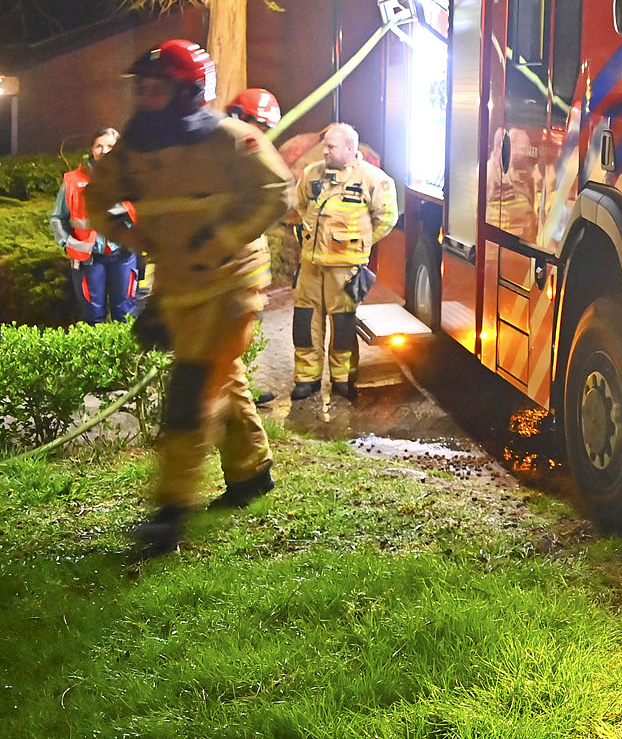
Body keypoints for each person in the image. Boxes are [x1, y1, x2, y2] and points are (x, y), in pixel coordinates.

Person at [86, 40, 295, 559]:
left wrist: (224, 239)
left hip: (232, 283)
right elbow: (96, 202)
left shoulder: (231, 138)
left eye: (157, 86)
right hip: (180, 287)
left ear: (188, 89)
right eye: (143, 86)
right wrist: (140, 240)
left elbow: (277, 193)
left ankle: (171, 511)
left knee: (194, 391)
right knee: (224, 376)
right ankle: (252, 474)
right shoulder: (135, 146)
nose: (146, 95)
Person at [290, 122, 396, 402]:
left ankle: (342, 381)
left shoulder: (373, 179)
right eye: (324, 146)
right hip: (311, 265)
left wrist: (362, 242)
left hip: (346, 268)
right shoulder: (311, 173)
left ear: (350, 148)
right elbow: (300, 205)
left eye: (331, 147)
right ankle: (306, 380)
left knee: (343, 325)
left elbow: (386, 218)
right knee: (305, 322)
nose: (324, 151)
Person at [224, 88, 283, 406]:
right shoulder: (222, 155)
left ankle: (243, 389)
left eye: (264, 130)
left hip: (247, 273)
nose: (261, 135)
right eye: (259, 126)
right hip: (228, 269)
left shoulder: (251, 155)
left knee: (245, 337)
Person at [51, 127, 140, 323]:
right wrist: (67, 243)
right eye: (99, 146)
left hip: (123, 254)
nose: (104, 151)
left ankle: (123, 354)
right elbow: (57, 218)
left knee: (125, 314)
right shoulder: (73, 181)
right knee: (92, 316)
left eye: (110, 146)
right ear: (92, 150)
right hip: (88, 257)